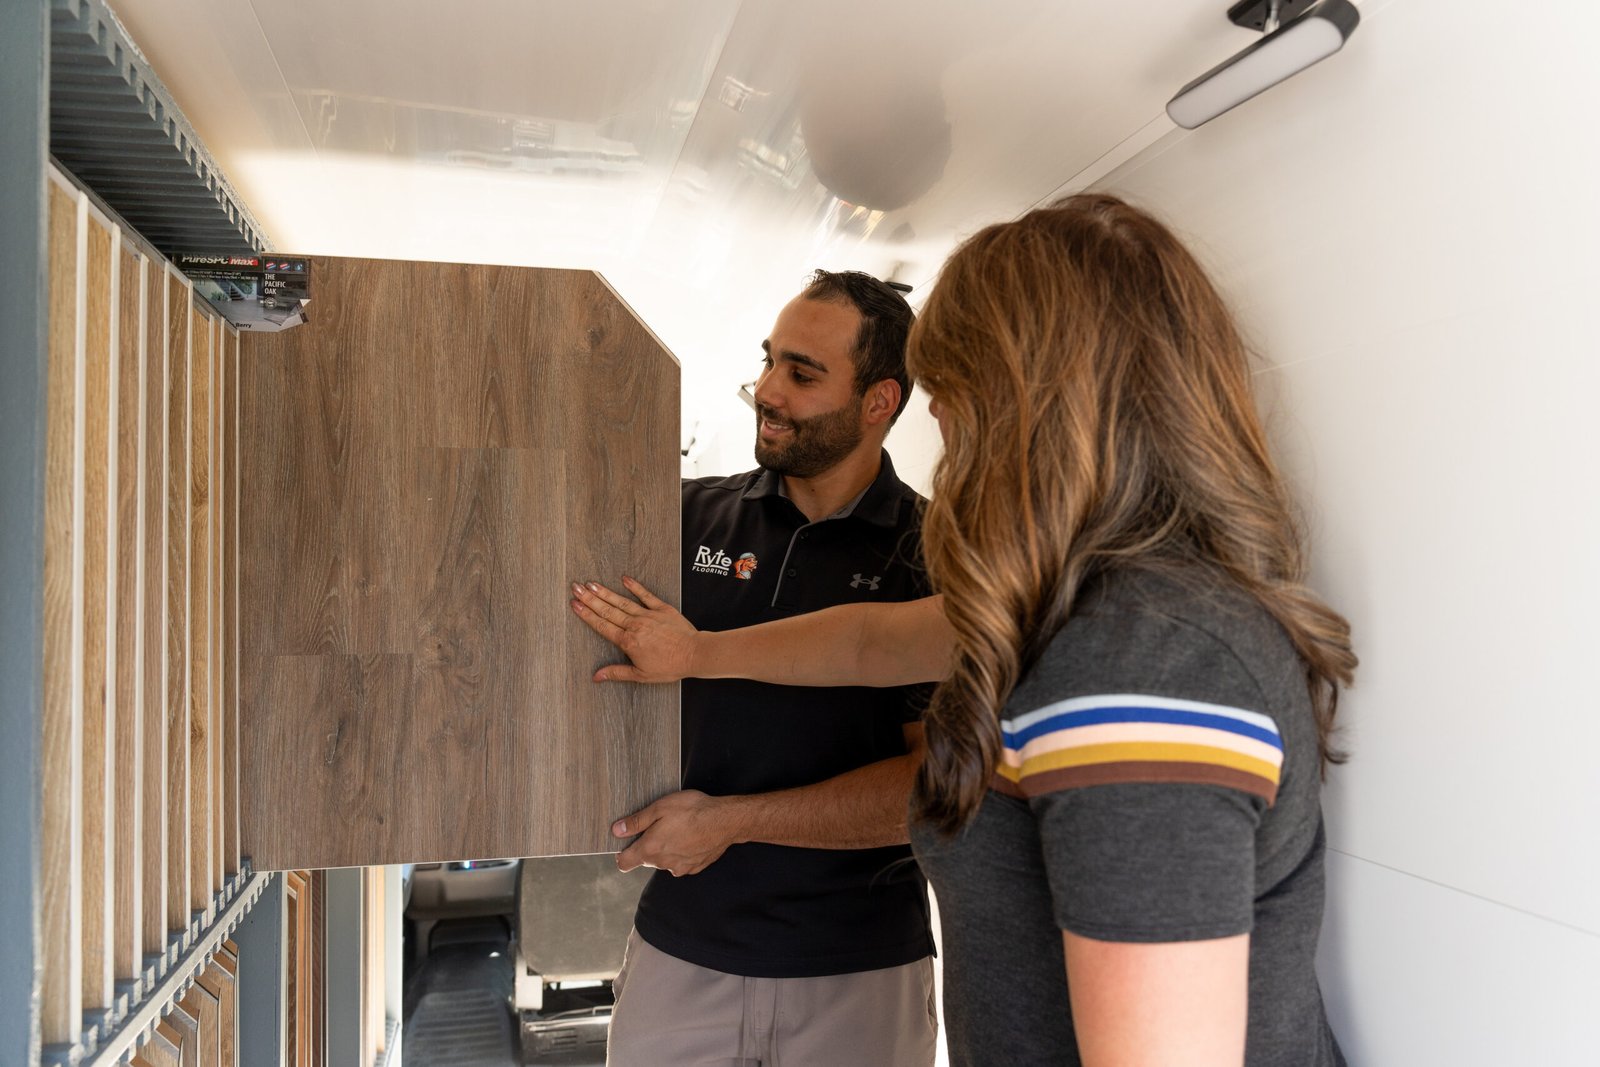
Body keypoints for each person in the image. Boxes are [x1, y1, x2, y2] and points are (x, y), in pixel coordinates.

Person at [572, 194, 1358, 1066]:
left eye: (954, 391)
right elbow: (869, 643)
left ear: (1038, 403)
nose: (938, 421)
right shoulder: (1056, 607)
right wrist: (699, 653)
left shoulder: (1138, 664)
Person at [582, 270, 938, 1067]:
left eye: (802, 373)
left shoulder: (935, 553)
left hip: (860, 967)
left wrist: (732, 820)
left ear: (879, 401)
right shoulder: (678, 517)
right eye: (769, 361)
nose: (767, 391)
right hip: (683, 945)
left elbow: (931, 791)